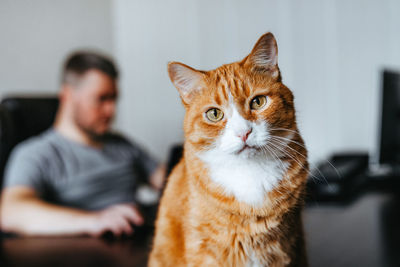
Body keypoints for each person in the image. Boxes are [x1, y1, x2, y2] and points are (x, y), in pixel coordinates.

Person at [0, 51, 165, 237]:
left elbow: (166, 180)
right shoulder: (36, 153)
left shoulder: (122, 144)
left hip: (139, 240)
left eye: (114, 99)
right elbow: (10, 212)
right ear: (68, 96)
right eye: (102, 99)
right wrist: (95, 220)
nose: (111, 110)